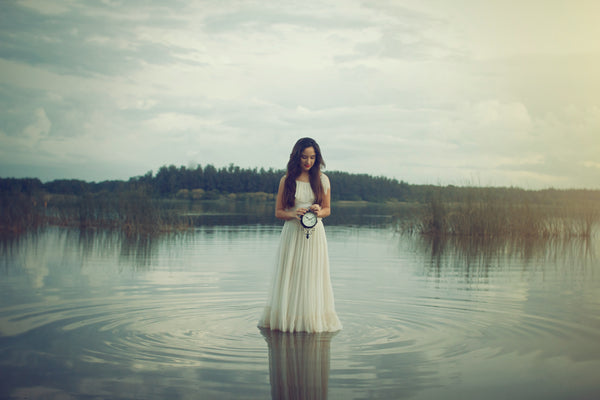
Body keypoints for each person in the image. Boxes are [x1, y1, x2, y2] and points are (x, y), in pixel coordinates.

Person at [258, 137, 342, 333]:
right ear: (296, 157)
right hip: (292, 234)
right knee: (292, 275)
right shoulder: (286, 180)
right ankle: (288, 320)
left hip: (315, 235)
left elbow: (328, 209)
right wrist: (293, 214)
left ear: (317, 158)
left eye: (312, 157)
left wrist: (317, 211)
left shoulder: (322, 179)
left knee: (312, 276)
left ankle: (311, 320)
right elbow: (278, 212)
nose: (308, 162)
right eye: (304, 157)